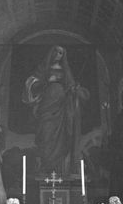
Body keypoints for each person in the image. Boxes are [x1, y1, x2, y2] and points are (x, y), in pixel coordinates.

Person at [24, 47, 89, 180]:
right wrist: (47, 81)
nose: (58, 55)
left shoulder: (65, 70)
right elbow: (31, 83)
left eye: (61, 53)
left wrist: (74, 89)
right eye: (55, 51)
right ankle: (45, 167)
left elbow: (70, 86)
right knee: (46, 134)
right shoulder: (44, 68)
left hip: (62, 108)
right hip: (47, 106)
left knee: (62, 136)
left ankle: (59, 171)